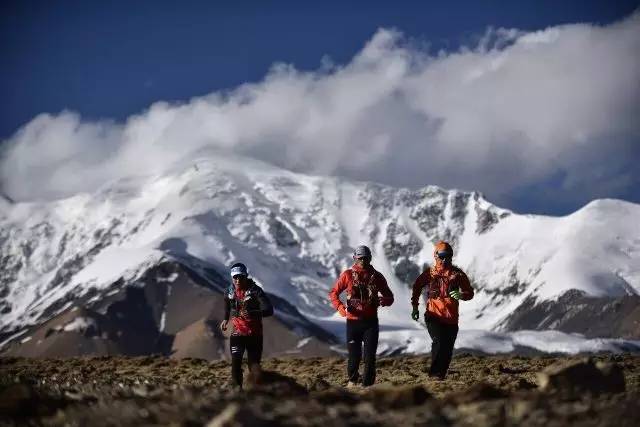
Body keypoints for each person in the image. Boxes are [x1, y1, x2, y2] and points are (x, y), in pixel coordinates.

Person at [329, 245, 394, 387]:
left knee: (370, 357)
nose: (362, 261)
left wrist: (383, 300)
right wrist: (339, 307)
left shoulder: (377, 276)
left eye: (365, 258)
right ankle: (353, 381)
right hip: (353, 323)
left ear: (370, 258)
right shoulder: (347, 275)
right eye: (359, 258)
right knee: (354, 357)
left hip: (370, 323)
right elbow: (333, 292)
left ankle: (367, 386)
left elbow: (389, 296)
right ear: (354, 258)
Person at [411, 241, 474, 380]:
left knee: (448, 349)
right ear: (436, 255)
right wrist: (415, 307)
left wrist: (462, 295)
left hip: (451, 318)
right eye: (443, 256)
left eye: (449, 256)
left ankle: (440, 376)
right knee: (438, 341)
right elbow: (416, 287)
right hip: (433, 315)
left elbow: (470, 293)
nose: (446, 259)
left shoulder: (458, 274)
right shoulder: (429, 273)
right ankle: (434, 375)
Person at [220, 262, 274, 389]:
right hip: (237, 332)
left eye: (241, 276)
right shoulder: (228, 291)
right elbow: (227, 307)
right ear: (232, 277)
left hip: (254, 334)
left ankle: (256, 394)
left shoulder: (256, 291)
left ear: (246, 276)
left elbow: (269, 310)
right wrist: (225, 319)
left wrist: (253, 313)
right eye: (235, 277)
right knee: (235, 363)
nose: (238, 280)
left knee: (254, 366)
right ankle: (238, 393)